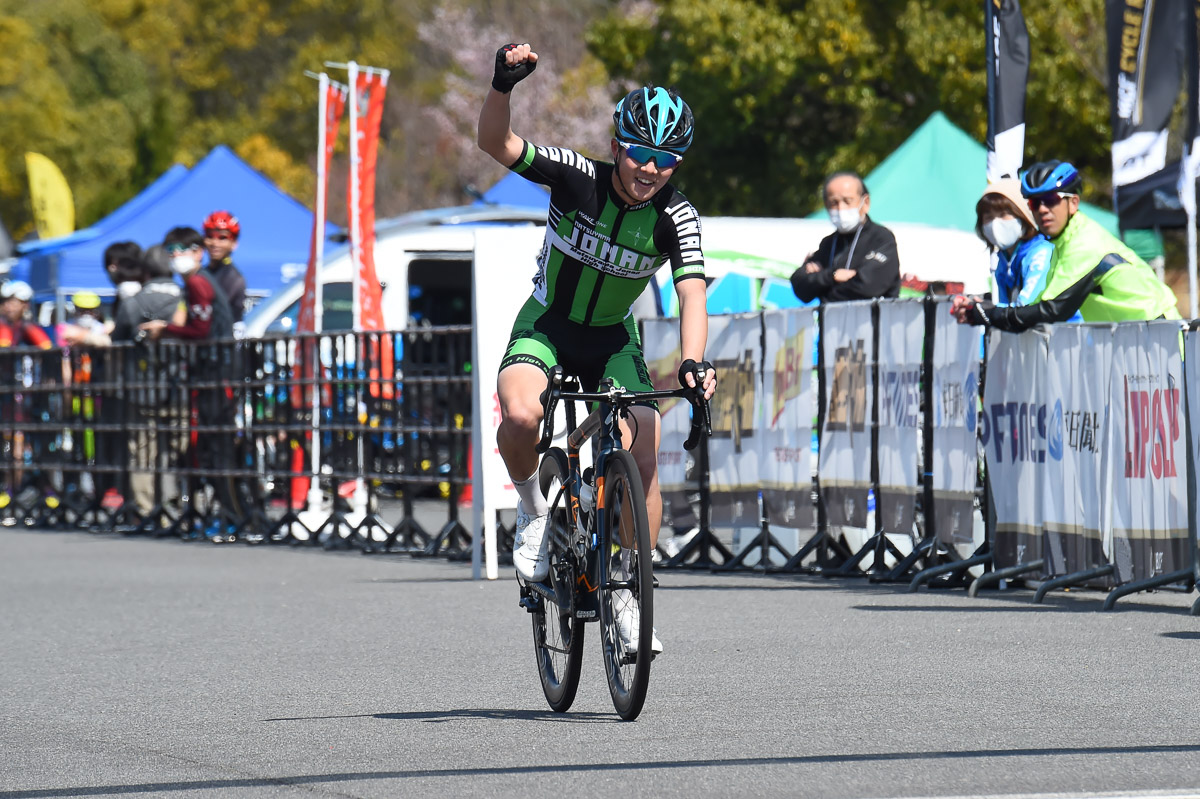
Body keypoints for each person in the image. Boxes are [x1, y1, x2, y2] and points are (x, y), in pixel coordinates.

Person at [477, 43, 716, 655]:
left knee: (643, 447)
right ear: (616, 144)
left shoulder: (676, 216)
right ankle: (532, 512)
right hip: (548, 327)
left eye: (666, 159)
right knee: (524, 416)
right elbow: (497, 145)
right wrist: (502, 87)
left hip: (613, 339)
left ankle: (632, 591)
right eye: (639, 151)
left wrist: (693, 363)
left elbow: (691, 295)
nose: (650, 168)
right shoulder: (573, 176)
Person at [955, 161, 1180, 330]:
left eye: (1051, 200)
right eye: (1034, 202)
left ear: (1073, 203)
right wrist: (980, 304)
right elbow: (1032, 301)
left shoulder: (1085, 243)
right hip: (1135, 340)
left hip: (1160, 335)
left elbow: (1051, 310)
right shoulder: (1061, 241)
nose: (1043, 209)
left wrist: (986, 315)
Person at [790, 172, 900, 303]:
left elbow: (867, 287)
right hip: (832, 322)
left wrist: (823, 291)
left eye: (847, 201)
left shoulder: (882, 238)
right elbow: (800, 285)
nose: (841, 208)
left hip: (872, 321)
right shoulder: (828, 243)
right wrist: (832, 275)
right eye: (834, 202)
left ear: (865, 203)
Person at [202, 211, 247, 327]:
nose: (215, 243)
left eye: (222, 238)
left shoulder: (234, 278)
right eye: (210, 236)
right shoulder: (202, 272)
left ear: (234, 243)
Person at [0, 280, 52, 349]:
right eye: (4, 302)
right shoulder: (2, 326)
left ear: (25, 305)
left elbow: (46, 346)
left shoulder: (28, 327)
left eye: (13, 302)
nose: (8, 307)